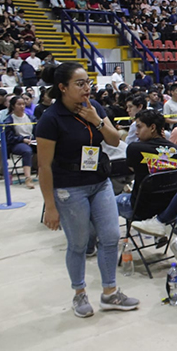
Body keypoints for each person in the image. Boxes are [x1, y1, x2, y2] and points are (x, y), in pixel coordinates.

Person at [35, 62, 139, 318]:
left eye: (88, 83)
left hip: (100, 181)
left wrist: (96, 120)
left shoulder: (95, 108)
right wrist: (50, 206)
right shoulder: (51, 119)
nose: (87, 88)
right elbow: (44, 167)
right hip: (70, 188)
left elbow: (114, 140)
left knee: (111, 236)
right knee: (79, 243)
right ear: (62, 87)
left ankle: (110, 293)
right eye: (80, 84)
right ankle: (79, 293)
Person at [115, 109, 177, 221]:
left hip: (141, 209)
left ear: (152, 127)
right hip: (170, 210)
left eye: (139, 127)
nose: (136, 132)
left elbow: (132, 169)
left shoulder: (134, 148)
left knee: (107, 202)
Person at [3, 96, 36, 189]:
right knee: (27, 151)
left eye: (23, 104)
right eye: (19, 104)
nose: (22, 106)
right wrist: (22, 139)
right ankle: (28, 178)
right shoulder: (9, 120)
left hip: (32, 141)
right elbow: (9, 138)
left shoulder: (31, 118)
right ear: (13, 106)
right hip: (17, 143)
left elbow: (37, 131)